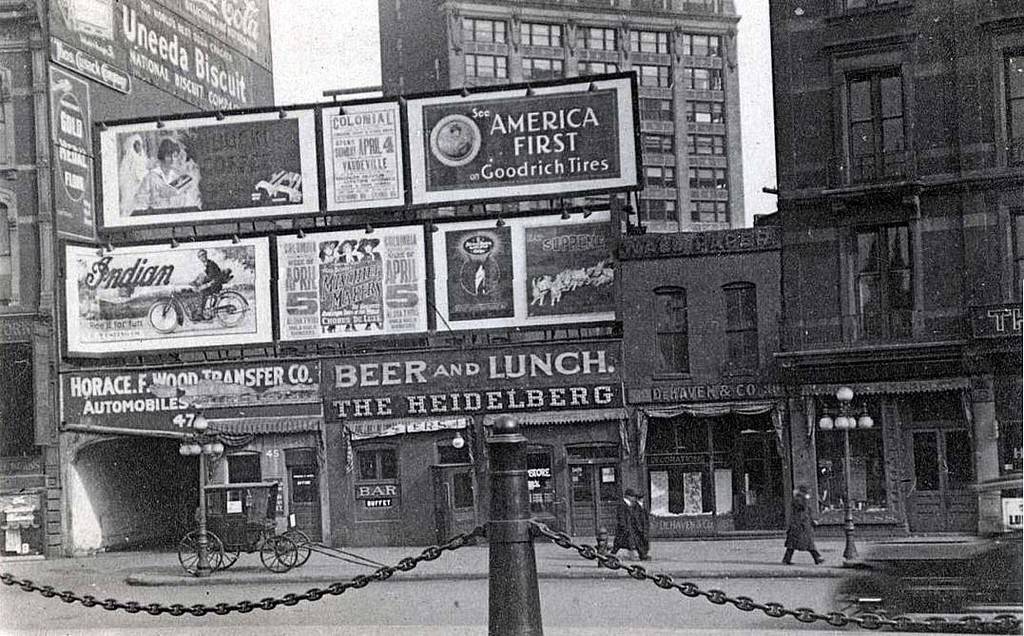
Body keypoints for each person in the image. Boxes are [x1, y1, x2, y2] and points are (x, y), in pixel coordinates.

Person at [133, 138, 197, 211]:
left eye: (175, 156)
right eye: (169, 156)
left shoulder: (177, 177)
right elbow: (140, 202)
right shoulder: (150, 177)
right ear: (162, 156)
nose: (172, 159)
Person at [783, 485, 824, 565]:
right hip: (800, 526)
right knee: (808, 543)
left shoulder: (800, 500)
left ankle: (787, 559)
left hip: (800, 525)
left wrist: (812, 521)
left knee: (793, 544)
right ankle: (817, 557)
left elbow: (807, 513)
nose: (809, 495)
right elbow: (804, 512)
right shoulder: (800, 501)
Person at [118, 134, 150, 217]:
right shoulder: (129, 157)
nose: (139, 147)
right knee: (129, 203)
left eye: (140, 145)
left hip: (140, 184)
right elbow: (127, 173)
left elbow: (144, 168)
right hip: (131, 184)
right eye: (136, 145)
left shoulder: (142, 157)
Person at [611, 488, 646, 561]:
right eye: (633, 496)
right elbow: (621, 517)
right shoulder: (622, 505)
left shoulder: (630, 505)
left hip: (630, 528)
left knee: (633, 542)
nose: (634, 498)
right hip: (624, 528)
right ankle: (611, 556)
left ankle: (641, 555)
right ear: (628, 496)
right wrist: (624, 526)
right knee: (620, 543)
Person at [191, 249, 224, 319]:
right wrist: (195, 281)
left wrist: (201, 282)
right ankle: (201, 311)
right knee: (200, 290)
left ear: (206, 255)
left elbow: (210, 276)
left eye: (203, 254)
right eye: (200, 256)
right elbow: (204, 275)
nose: (202, 257)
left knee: (202, 292)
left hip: (216, 284)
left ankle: (200, 313)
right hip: (213, 283)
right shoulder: (207, 264)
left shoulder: (211, 264)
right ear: (199, 258)